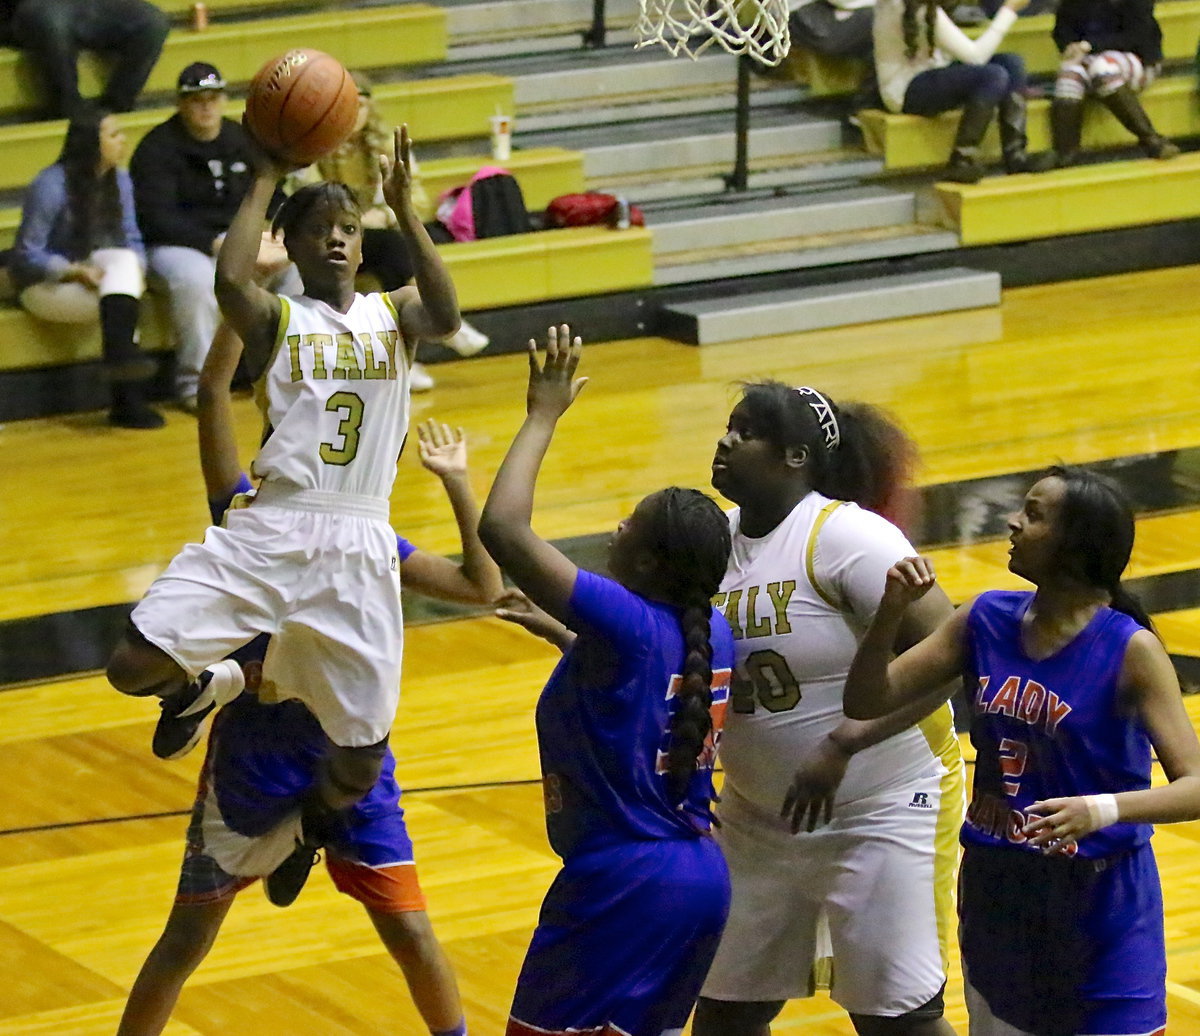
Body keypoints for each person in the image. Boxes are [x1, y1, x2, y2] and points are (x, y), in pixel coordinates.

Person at [106, 123, 461, 903]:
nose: (335, 240)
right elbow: (228, 282)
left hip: (363, 532)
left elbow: (445, 307)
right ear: (292, 248)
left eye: (345, 230)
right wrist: (264, 173)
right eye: (318, 231)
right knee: (129, 667)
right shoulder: (278, 319)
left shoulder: (391, 315)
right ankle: (198, 683)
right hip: (275, 522)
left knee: (362, 758)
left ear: (359, 249)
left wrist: (404, 211)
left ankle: (306, 828)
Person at [116, 326, 488, 1036]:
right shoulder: (245, 515)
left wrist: (458, 482)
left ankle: (283, 783)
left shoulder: (370, 542)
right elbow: (210, 397)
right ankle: (207, 684)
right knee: (183, 942)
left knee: (412, 934)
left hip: (343, 757)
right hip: (255, 758)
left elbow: (480, 582)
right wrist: (235, 311)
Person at [842, 465, 1200, 1036]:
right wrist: (889, 613)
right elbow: (868, 700)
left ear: (1074, 546)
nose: (1011, 522)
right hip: (1000, 891)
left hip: (1102, 897)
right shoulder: (984, 619)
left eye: (1033, 514)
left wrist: (1100, 810)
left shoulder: (1131, 650)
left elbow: (1195, 786)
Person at [478, 327, 735, 1036]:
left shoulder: (625, 621)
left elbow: (502, 528)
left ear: (649, 565)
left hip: (622, 885)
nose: (616, 524)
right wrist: (561, 631)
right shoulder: (711, 633)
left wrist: (542, 414)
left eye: (631, 523)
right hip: (697, 881)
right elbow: (638, 686)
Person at [693, 381, 965, 1036]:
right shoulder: (712, 542)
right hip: (758, 819)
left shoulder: (850, 537)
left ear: (796, 457)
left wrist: (845, 743)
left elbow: (953, 652)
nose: (726, 440)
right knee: (724, 1013)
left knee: (898, 1021)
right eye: (728, 426)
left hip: (884, 806)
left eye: (747, 431)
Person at [296, 69, 489, 391]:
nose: (355, 113)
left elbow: (417, 198)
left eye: (361, 105)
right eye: (346, 105)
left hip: (380, 231)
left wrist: (385, 213)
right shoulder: (314, 146)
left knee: (398, 244)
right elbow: (309, 200)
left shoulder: (385, 144)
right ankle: (444, 323)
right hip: (329, 236)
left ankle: (404, 356)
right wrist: (355, 221)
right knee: (392, 248)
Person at [130, 62, 301, 412]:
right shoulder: (156, 148)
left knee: (294, 268)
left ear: (223, 99)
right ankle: (198, 383)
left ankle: (289, 371)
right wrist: (214, 243)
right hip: (177, 243)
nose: (206, 106)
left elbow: (274, 192)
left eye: (212, 97)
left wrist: (278, 227)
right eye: (196, 100)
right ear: (180, 103)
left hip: (235, 236)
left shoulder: (241, 138)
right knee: (197, 283)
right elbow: (155, 217)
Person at [11, 108, 162, 429]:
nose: (123, 140)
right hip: (45, 283)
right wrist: (72, 271)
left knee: (124, 274)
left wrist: (138, 272)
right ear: (91, 142)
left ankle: (122, 377)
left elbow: (132, 238)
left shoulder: (120, 180)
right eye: (113, 134)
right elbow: (26, 253)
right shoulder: (50, 184)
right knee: (121, 306)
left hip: (98, 276)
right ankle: (127, 399)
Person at [873, 0, 1049, 182]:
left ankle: (1016, 155)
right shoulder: (904, 6)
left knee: (1012, 62)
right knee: (993, 75)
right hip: (904, 90)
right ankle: (962, 159)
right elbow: (976, 56)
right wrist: (1009, 10)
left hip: (934, 71)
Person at [1050, 0, 1177, 165]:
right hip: (1088, 59)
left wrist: (1088, 46)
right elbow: (1061, 30)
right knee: (1068, 73)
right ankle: (1065, 154)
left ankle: (1151, 140)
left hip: (1138, 59)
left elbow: (1137, 37)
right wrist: (1070, 47)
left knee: (1101, 67)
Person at [0, 0, 168, 119]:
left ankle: (114, 109)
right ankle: (69, 113)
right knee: (49, 21)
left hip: (90, 5)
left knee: (153, 22)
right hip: (32, 8)